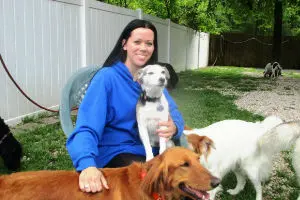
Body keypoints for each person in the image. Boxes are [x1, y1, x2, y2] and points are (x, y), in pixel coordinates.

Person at [66, 19, 184, 194]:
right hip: (116, 150)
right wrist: (87, 164)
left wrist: (174, 127)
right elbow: (87, 126)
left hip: (152, 151)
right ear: (124, 44)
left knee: (185, 180)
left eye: (149, 43)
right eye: (137, 42)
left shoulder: (153, 79)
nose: (143, 48)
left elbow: (174, 113)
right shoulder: (106, 78)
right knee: (150, 185)